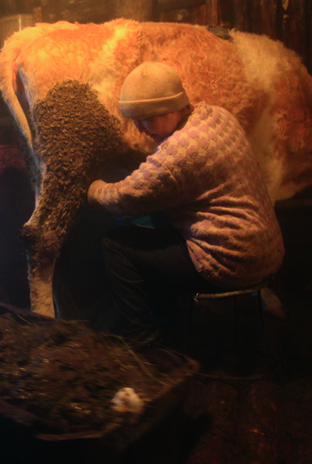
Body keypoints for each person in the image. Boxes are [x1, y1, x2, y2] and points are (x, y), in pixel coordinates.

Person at [87, 62, 284, 345]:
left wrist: (92, 187)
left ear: (172, 108)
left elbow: (121, 198)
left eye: (148, 119)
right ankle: (165, 317)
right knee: (155, 229)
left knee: (117, 243)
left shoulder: (179, 153)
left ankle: (140, 340)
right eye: (137, 120)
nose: (142, 129)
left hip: (231, 261)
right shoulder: (218, 116)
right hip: (267, 248)